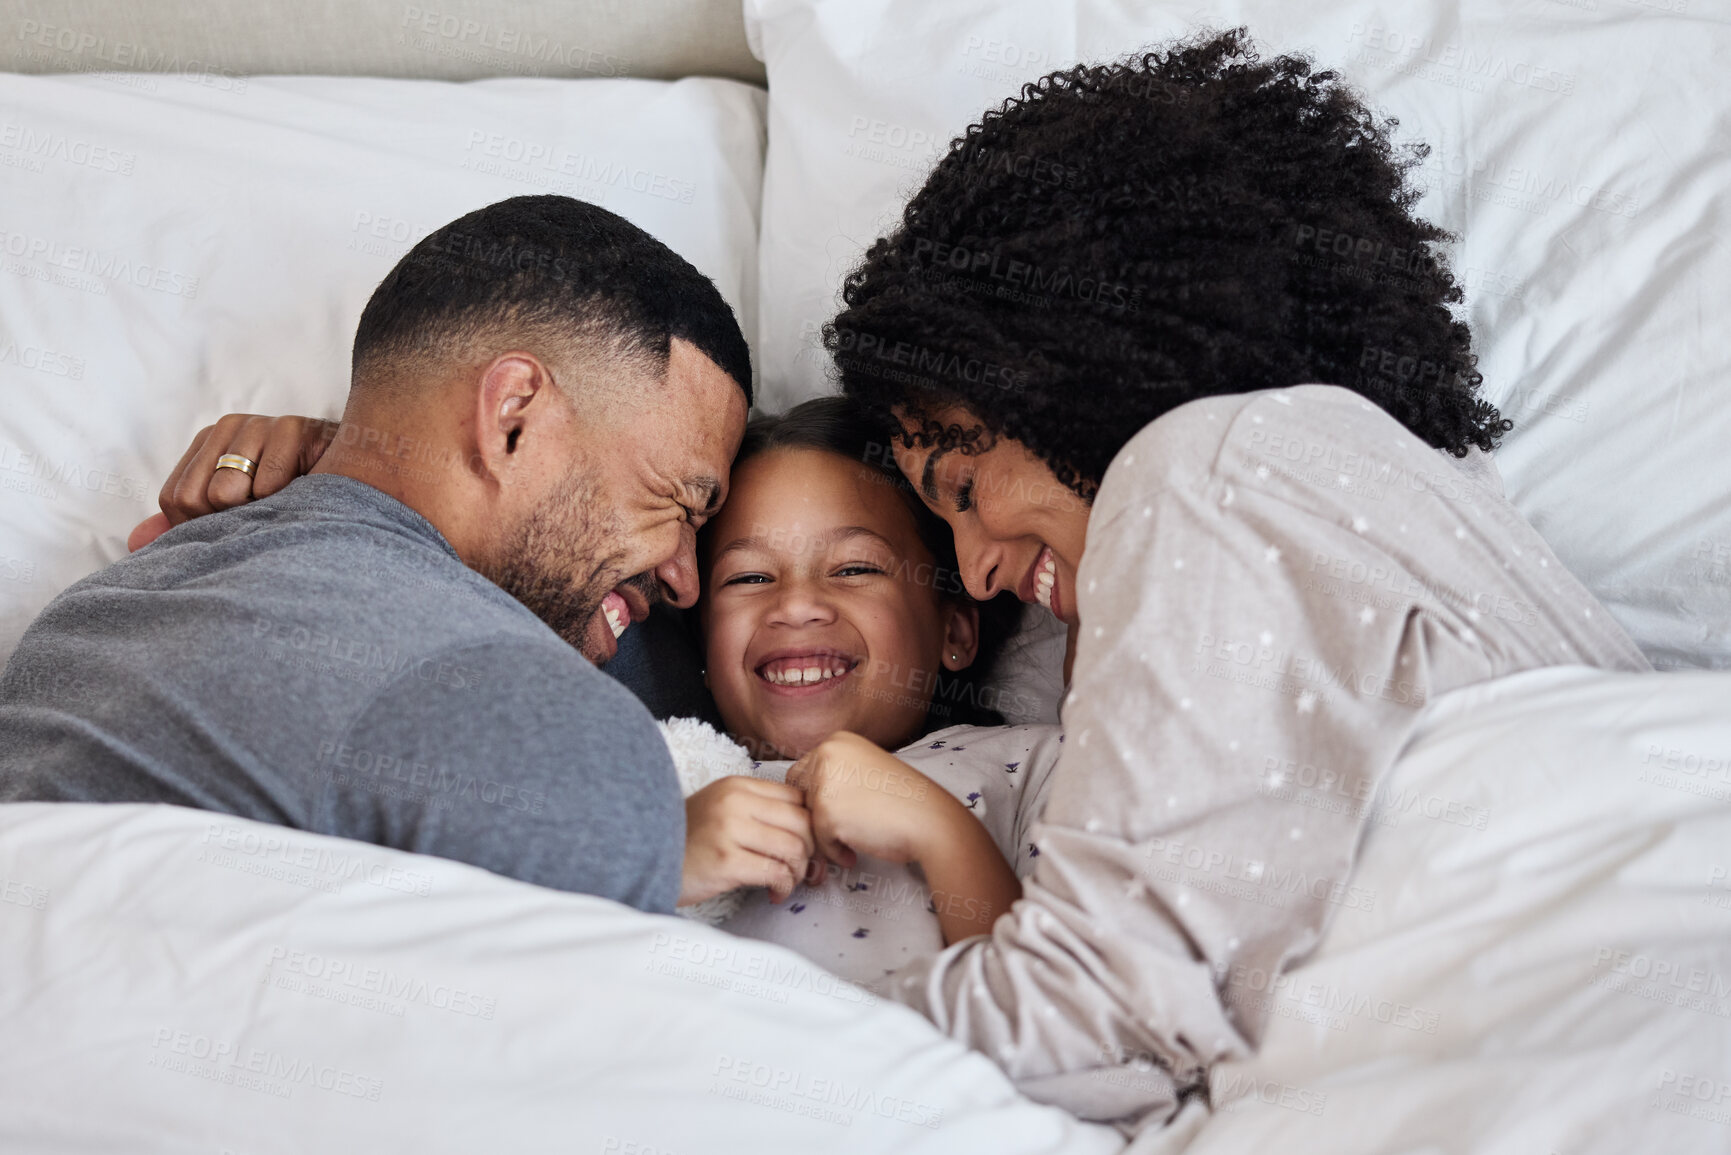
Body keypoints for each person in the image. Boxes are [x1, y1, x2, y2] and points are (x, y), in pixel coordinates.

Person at [816, 28, 1652, 1133]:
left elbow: (1093, 1027)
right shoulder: (1369, 495)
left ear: (1064, 364)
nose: (975, 569)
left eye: (964, 483)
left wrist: (721, 1019)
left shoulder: (1203, 469)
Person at [0, 194, 755, 915]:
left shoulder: (96, 610)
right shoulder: (497, 689)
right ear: (513, 416)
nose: (685, 577)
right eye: (682, 504)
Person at [673, 397, 1060, 983]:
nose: (797, 604)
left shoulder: (1034, 768)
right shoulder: (662, 787)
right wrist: (659, 859)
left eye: (855, 568)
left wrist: (943, 832)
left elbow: (1062, 1021)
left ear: (952, 630)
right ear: (701, 648)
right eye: (749, 577)